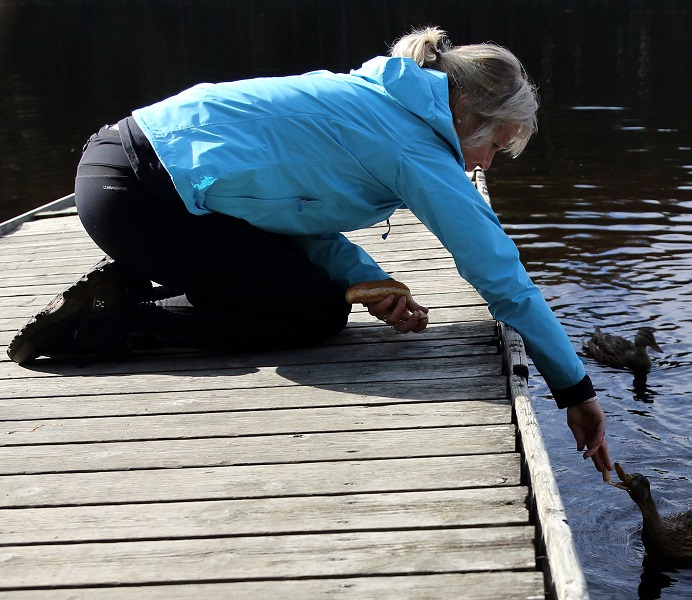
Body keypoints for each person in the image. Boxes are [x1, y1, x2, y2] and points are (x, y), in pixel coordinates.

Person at [6, 26, 613, 474]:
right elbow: (502, 279)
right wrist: (576, 391)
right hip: (145, 199)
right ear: (470, 114)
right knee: (311, 313)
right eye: (495, 145)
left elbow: (288, 212)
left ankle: (140, 277)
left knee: (316, 291)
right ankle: (115, 325)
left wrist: (372, 281)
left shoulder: (376, 99)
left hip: (119, 174)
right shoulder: (415, 146)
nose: (485, 163)